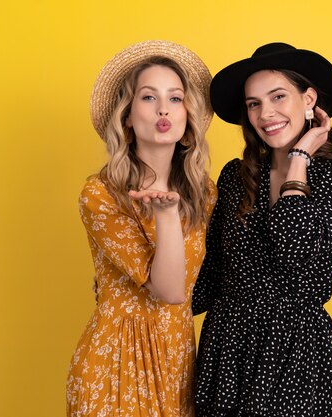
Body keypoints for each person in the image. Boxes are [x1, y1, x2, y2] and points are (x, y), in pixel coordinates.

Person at [192, 42, 332, 416]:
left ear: (309, 99)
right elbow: (208, 277)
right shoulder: (234, 177)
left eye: (278, 97)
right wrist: (133, 289)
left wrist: (299, 159)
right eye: (254, 103)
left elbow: (295, 251)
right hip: (227, 354)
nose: (265, 113)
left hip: (294, 352)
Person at [66, 40, 216, 417]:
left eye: (175, 98)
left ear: (187, 120)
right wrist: (166, 216)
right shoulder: (101, 194)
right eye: (148, 98)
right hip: (116, 362)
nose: (163, 108)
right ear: (128, 117)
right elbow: (167, 289)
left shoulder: (205, 193)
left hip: (178, 359)